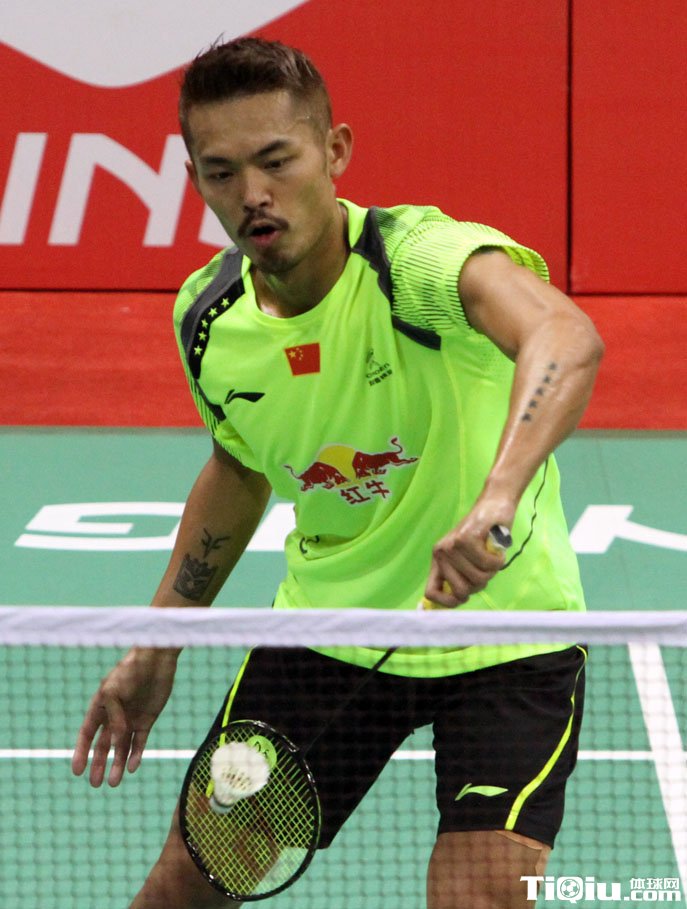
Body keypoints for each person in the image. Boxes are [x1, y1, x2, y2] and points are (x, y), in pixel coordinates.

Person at [72, 37, 604, 909]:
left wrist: (498, 497)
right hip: (330, 632)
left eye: (276, 160)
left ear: (335, 151)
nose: (252, 193)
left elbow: (564, 335)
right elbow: (239, 465)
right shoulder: (209, 318)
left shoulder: (418, 263)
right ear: (194, 178)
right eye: (222, 172)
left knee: (475, 899)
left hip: (505, 632)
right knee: (185, 888)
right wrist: (157, 641)